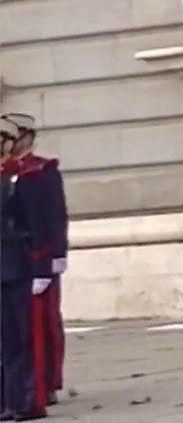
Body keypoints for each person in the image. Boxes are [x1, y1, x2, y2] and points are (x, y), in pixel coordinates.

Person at [1, 113, 66, 421]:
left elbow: (50, 218)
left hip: (29, 261)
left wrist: (51, 260)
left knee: (39, 330)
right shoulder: (7, 175)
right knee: (10, 339)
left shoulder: (39, 171)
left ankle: (39, 390)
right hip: (7, 265)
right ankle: (14, 398)